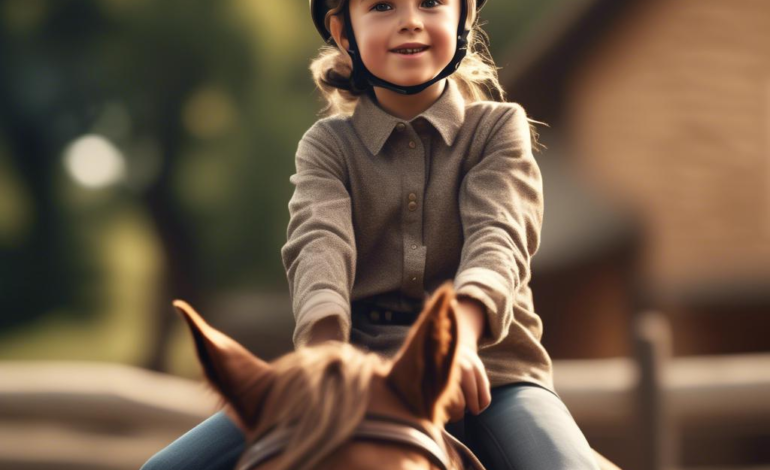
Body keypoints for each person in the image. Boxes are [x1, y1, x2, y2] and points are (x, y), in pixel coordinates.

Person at [141, 1, 600, 469]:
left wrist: (456, 343)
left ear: (462, 19)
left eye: (430, 3)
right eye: (382, 5)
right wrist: (324, 364)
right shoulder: (327, 146)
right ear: (344, 32)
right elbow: (319, 245)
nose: (410, 19)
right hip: (355, 375)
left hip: (490, 374)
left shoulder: (498, 129)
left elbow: (499, 237)